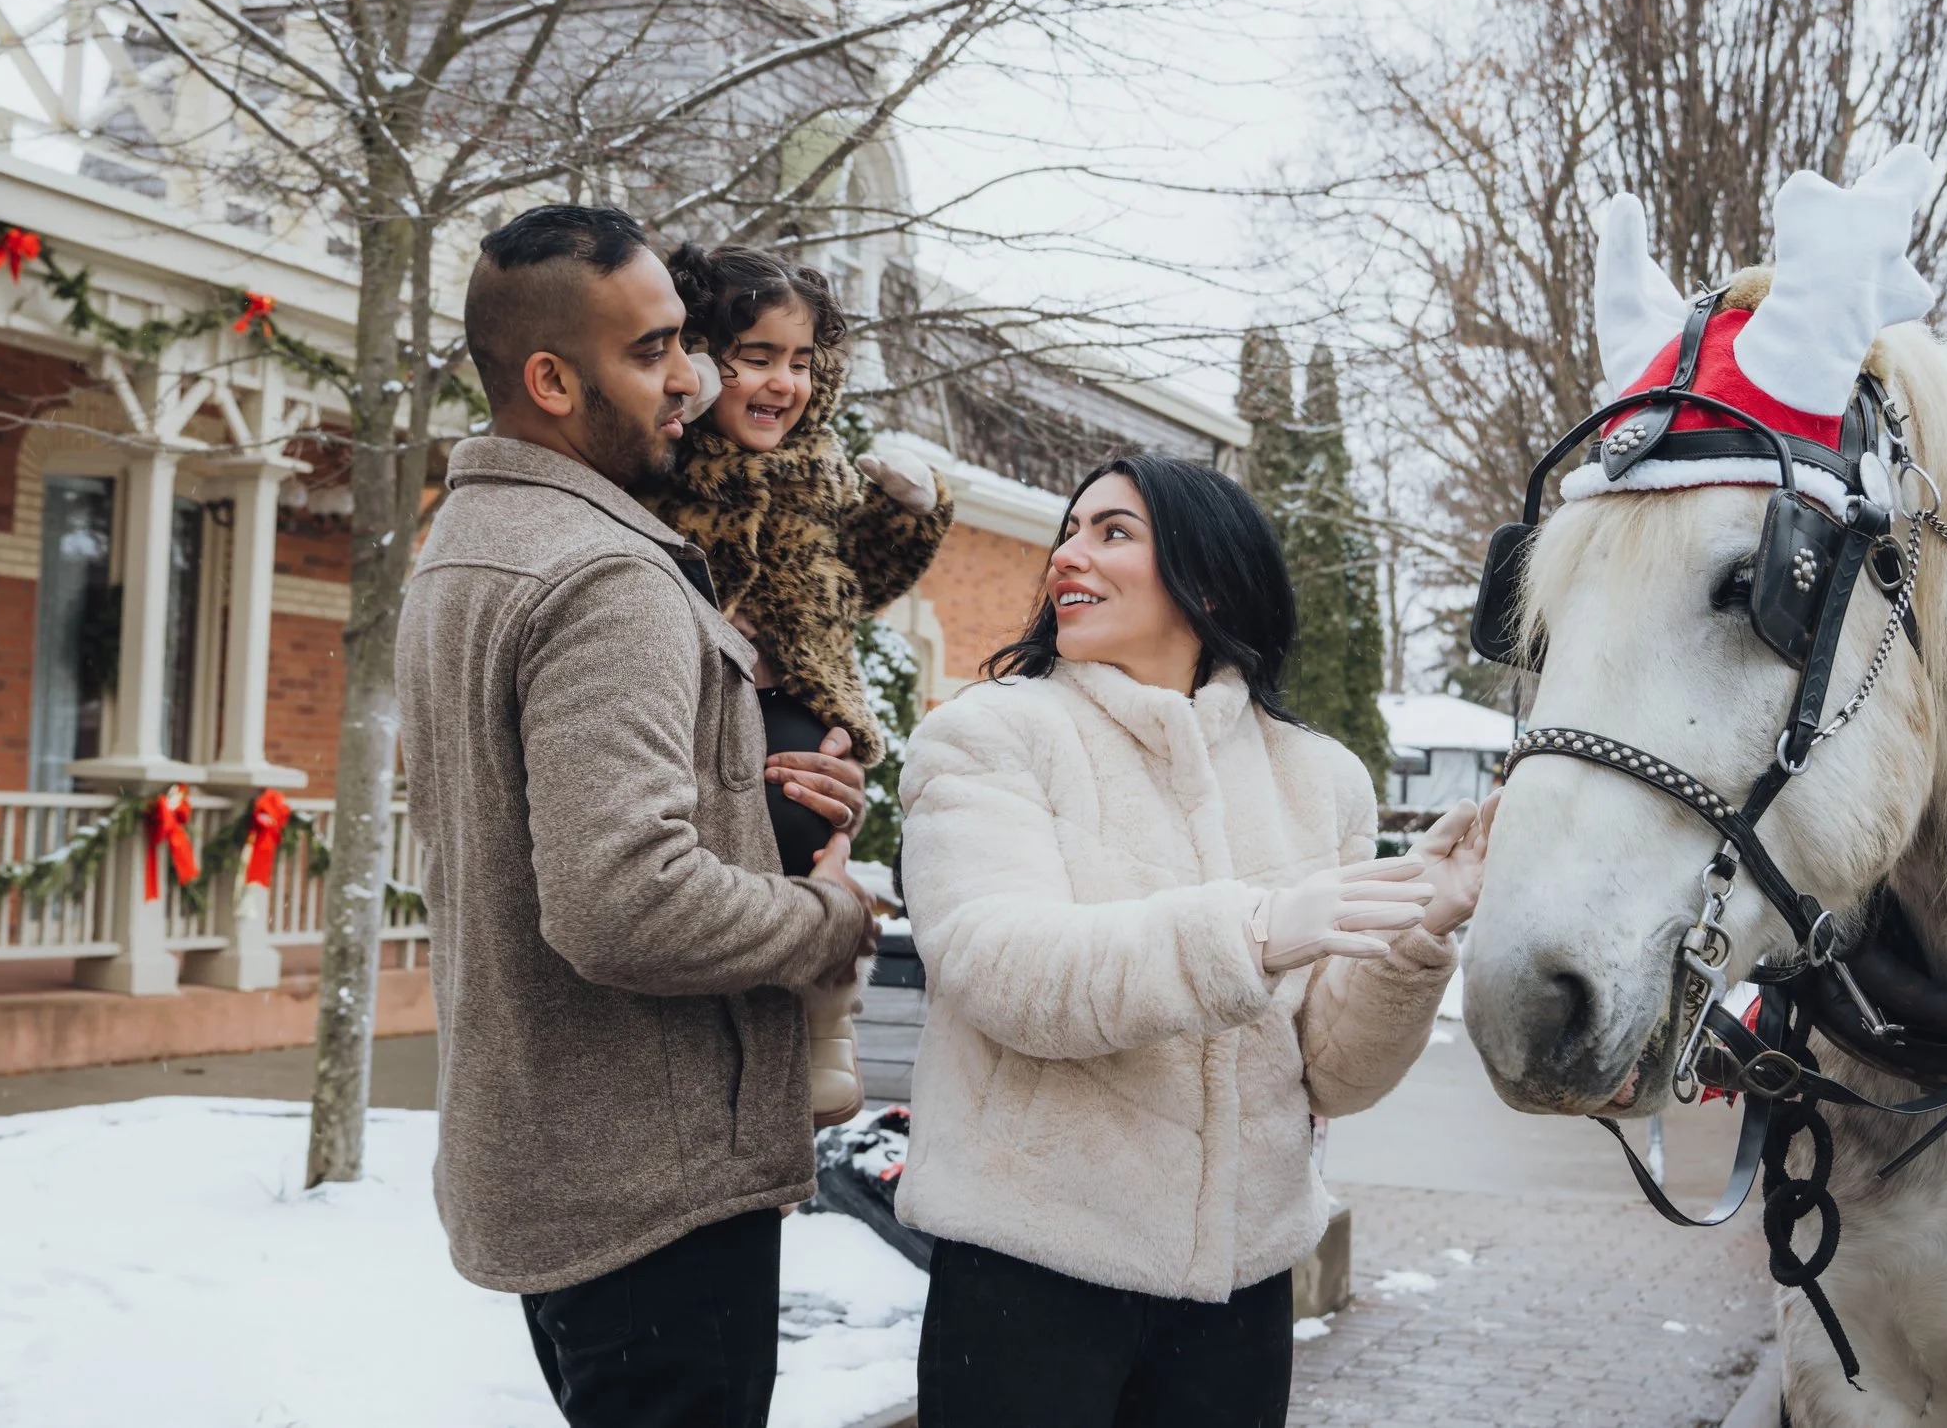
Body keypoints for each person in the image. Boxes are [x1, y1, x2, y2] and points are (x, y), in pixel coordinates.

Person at [396, 203, 880, 1428]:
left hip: (553, 1153)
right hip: (650, 1183)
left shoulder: (467, 543)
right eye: (654, 350)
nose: (693, 378)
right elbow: (623, 900)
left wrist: (757, 788)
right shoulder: (603, 573)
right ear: (552, 377)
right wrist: (827, 916)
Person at [895, 452, 1492, 1428]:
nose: (1066, 553)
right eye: (1070, 528)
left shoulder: (1319, 778)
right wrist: (1252, 932)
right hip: (1029, 1272)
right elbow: (1002, 967)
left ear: (1208, 579)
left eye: (1112, 530)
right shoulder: (990, 734)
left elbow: (1333, 1078)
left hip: (1238, 1292)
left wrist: (1415, 927)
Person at [651, 241, 955, 1122]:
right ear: (698, 357)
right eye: (754, 358)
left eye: (800, 360)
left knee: (807, 830)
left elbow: (860, 576)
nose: (782, 382)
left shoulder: (821, 468)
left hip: (802, 698)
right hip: (695, 711)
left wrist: (913, 509)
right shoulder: (659, 468)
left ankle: (827, 1027)